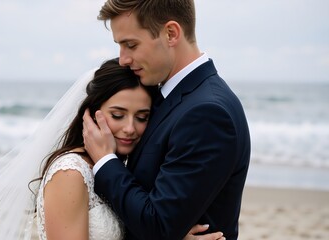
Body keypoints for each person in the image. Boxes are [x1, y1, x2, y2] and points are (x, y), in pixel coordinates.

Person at [82, 1, 251, 240]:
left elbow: (158, 226)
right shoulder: (172, 97)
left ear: (171, 33)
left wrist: (105, 161)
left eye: (131, 45)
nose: (123, 60)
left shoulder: (206, 113)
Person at [35, 58, 225, 240]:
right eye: (118, 115)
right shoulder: (70, 173)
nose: (130, 129)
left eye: (142, 117)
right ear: (92, 114)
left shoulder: (119, 168)